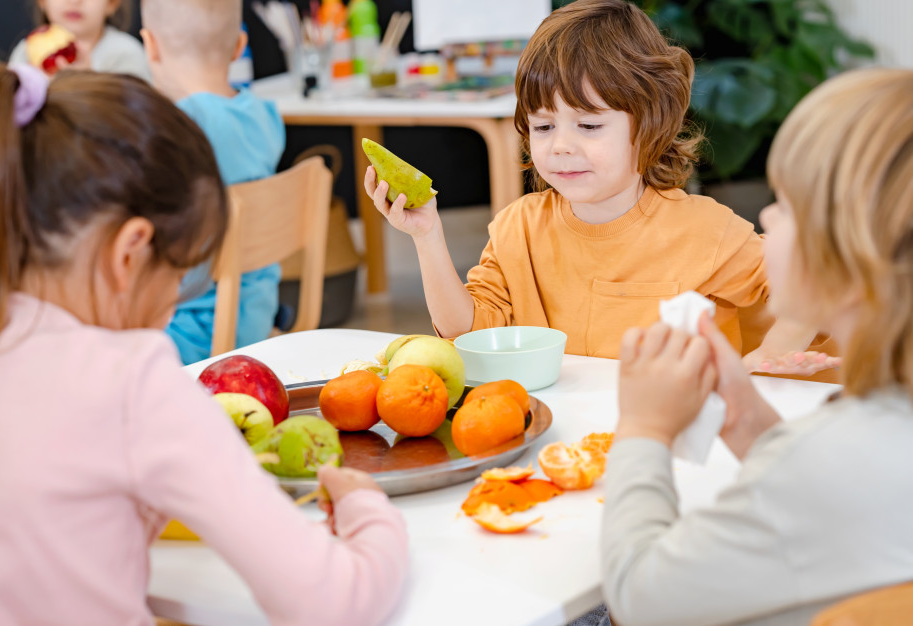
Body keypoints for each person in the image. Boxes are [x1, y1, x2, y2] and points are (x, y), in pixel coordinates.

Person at [0, 62, 407, 625]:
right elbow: (332, 602)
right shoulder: (130, 380)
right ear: (130, 253)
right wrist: (367, 507)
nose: (176, 300)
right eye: (183, 273)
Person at [363, 0, 837, 377]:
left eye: (588, 126)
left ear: (649, 124)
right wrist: (427, 237)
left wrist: (768, 360)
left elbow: (816, 287)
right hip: (563, 443)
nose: (561, 147)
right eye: (544, 127)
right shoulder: (517, 228)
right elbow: (467, 332)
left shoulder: (706, 230)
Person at [604, 67, 913, 624]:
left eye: (786, 207)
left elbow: (637, 598)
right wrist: (745, 415)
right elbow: (831, 502)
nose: (765, 218)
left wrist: (643, 431)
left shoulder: (818, 460)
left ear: (850, 257)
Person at [140, 0, 285, 364]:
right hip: (256, 313)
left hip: (195, 332)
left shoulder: (179, 129)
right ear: (239, 45)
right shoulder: (266, 117)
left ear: (150, 45)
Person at [9, 0, 150, 80]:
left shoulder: (127, 54)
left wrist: (85, 83)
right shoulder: (26, 52)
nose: (74, 1)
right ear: (42, 2)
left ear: (111, 4)